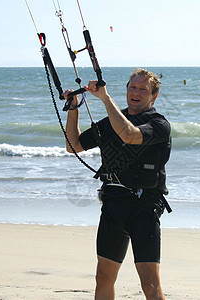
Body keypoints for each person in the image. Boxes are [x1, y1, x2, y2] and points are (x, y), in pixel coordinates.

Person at [63, 68, 171, 300]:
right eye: (133, 87)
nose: (136, 92)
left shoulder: (159, 124)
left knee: (149, 281)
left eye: (143, 89)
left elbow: (130, 135)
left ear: (154, 96)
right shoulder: (112, 121)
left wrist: (104, 97)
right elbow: (74, 146)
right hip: (114, 204)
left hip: (145, 205)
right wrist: (73, 108)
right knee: (103, 276)